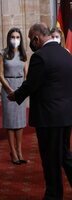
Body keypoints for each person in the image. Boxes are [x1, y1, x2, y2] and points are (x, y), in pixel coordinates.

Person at [8, 23, 72, 200]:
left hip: (49, 118)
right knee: (65, 155)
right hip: (66, 115)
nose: (30, 43)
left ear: (36, 38)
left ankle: (53, 195)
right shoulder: (66, 55)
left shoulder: (40, 57)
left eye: (30, 39)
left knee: (51, 159)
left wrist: (16, 95)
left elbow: (31, 84)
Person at [0, 27, 28, 165]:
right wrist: (10, 90)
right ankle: (13, 152)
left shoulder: (23, 53)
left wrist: (24, 89)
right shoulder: (2, 53)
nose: (15, 40)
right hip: (8, 87)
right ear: (8, 38)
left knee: (20, 122)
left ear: (20, 39)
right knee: (10, 122)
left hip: (20, 87)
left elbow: (26, 73)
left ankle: (20, 150)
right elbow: (0, 74)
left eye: (17, 37)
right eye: (12, 37)